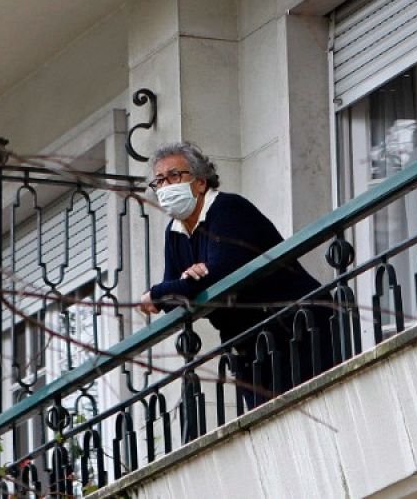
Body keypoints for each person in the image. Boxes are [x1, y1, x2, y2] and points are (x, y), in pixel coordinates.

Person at [137, 141, 334, 409]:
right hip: (251, 347)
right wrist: (182, 284)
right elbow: (175, 300)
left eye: (174, 176)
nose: (165, 187)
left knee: (320, 415)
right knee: (270, 431)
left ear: (201, 182)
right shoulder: (174, 232)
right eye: (159, 181)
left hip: (300, 328)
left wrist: (162, 291)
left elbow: (220, 276)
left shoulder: (228, 209)